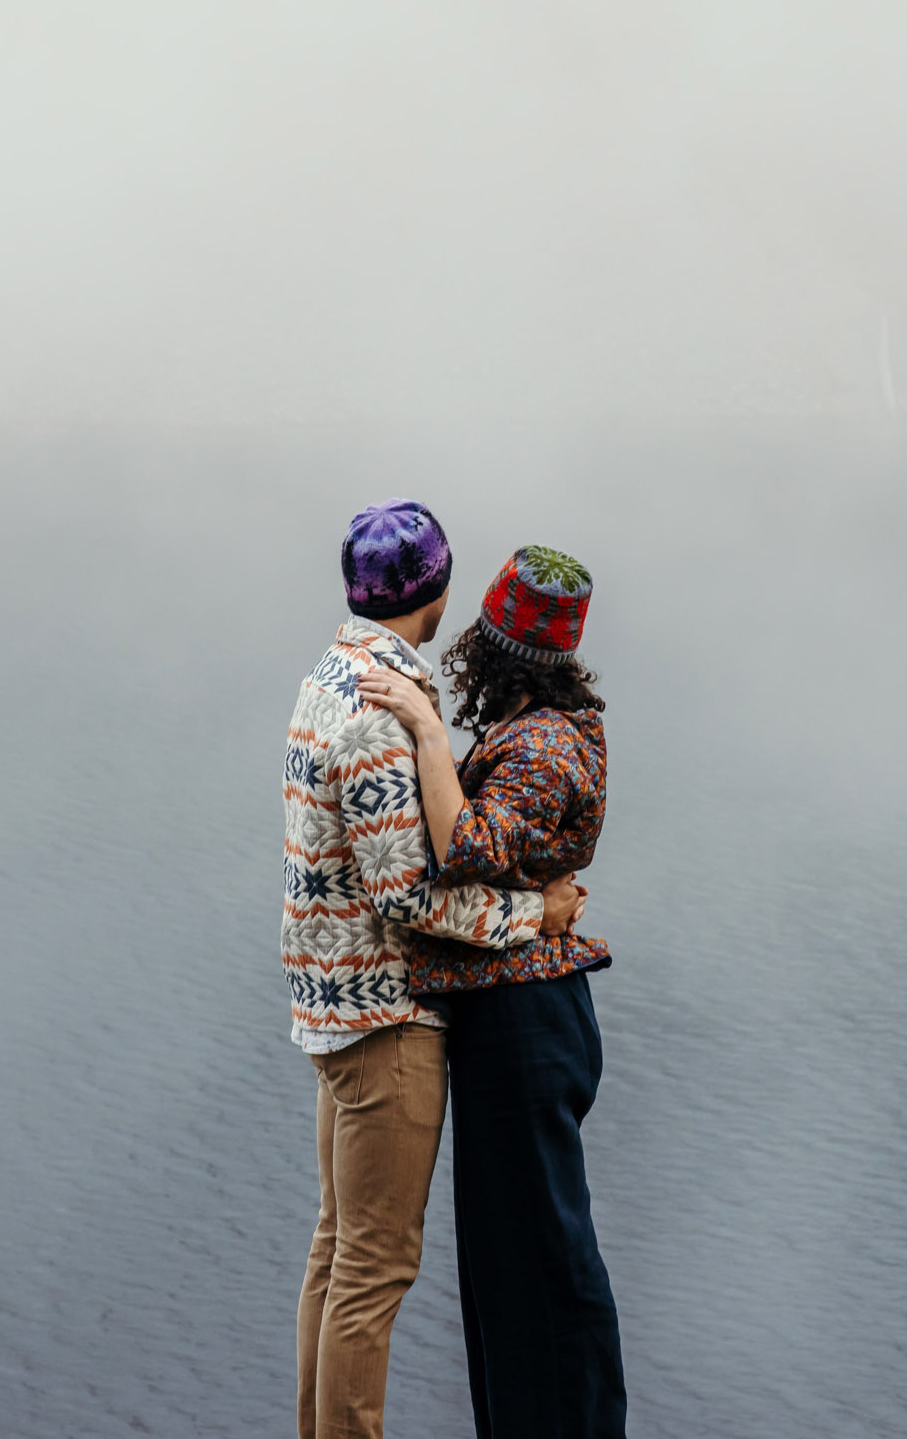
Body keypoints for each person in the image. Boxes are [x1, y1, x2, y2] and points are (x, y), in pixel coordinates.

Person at [283, 501, 584, 1439]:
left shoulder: (326, 678)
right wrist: (536, 914)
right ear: (440, 596)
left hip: (331, 1011)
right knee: (374, 1271)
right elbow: (408, 899)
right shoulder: (381, 715)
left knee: (336, 1256)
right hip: (387, 1024)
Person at [357, 544, 626, 1439]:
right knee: (516, 1264)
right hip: (523, 1016)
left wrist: (430, 734)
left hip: (526, 1023)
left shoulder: (542, 744)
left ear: (501, 643)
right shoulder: (538, 725)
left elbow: (467, 844)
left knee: (539, 1268)